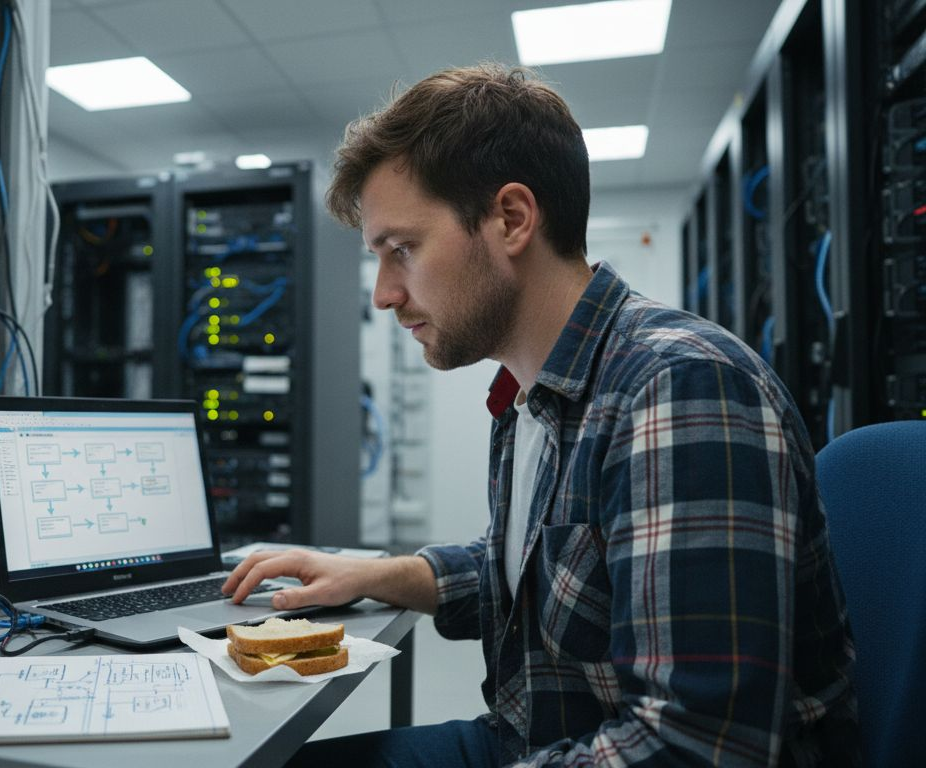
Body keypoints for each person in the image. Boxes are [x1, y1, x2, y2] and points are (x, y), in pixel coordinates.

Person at [221, 63, 858, 767]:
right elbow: (527, 571)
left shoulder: (679, 387)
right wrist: (373, 573)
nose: (384, 294)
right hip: (534, 741)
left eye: (402, 249)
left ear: (512, 219)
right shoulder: (531, 395)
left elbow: (698, 747)